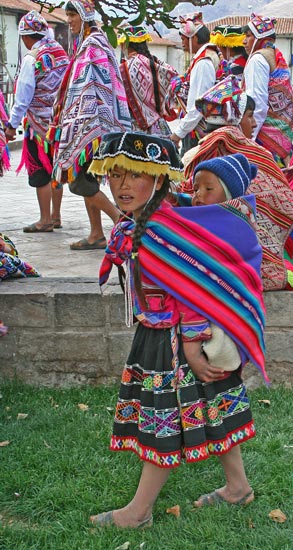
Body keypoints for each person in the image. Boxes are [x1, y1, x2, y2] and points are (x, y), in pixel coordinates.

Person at [87, 131, 266, 528]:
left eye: (134, 174)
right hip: (161, 334)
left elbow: (190, 288)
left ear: (158, 178)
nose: (121, 184)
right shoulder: (151, 218)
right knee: (213, 405)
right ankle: (237, 487)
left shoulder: (163, 229)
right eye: (114, 174)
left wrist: (190, 347)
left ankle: (138, 512)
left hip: (175, 341)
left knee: (160, 422)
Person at [182, 75, 293, 291]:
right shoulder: (257, 155)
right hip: (256, 265)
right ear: (234, 117)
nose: (253, 123)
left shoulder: (194, 154)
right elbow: (284, 204)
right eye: (249, 116)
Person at [49, 0, 132, 250]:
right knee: (88, 180)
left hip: (95, 125)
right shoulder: (88, 44)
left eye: (73, 15)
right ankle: (96, 233)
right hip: (95, 124)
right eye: (67, 16)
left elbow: (93, 87)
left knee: (80, 182)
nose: (69, 20)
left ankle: (120, 222)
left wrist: (81, 120)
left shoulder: (93, 45)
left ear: (85, 15)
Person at [5, 10, 69, 232]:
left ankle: (45, 220)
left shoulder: (32, 58)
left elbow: (23, 97)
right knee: (56, 168)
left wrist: (12, 125)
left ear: (25, 37)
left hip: (38, 127)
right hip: (60, 123)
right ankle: (56, 215)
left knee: (40, 171)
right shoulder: (61, 53)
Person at [242, 13, 293, 168]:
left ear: (264, 40)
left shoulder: (257, 60)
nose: (244, 41)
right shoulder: (276, 56)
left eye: (249, 36)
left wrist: (249, 141)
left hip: (264, 136)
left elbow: (257, 103)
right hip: (283, 133)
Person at [169, 12, 219, 155]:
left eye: (184, 38)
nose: (182, 42)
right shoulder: (207, 57)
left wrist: (178, 133)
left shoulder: (203, 63)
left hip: (197, 131)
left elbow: (198, 106)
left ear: (194, 38)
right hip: (195, 128)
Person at [118, 25, 178, 136]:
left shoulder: (124, 68)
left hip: (134, 125)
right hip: (158, 125)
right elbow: (174, 77)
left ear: (125, 45)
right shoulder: (154, 63)